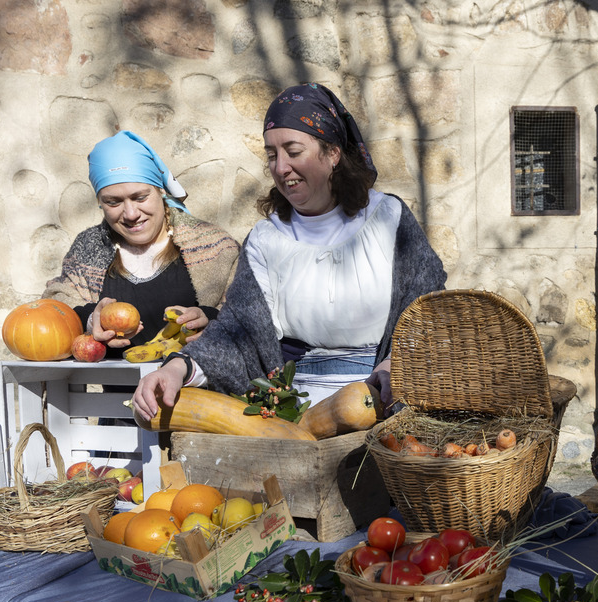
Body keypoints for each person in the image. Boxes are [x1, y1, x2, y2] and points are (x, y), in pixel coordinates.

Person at [131, 83, 446, 419]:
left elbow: (427, 308)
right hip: (293, 411)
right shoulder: (268, 239)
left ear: (332, 153)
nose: (280, 168)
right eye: (272, 154)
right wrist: (176, 368)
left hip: (386, 403)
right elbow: (238, 332)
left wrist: (396, 364)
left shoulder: (388, 218)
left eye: (293, 152)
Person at [44, 130, 240, 355]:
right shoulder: (89, 247)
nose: (130, 213)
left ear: (160, 190)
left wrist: (210, 319)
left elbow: (245, 315)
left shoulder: (215, 246)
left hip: (195, 388)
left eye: (140, 197)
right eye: (113, 202)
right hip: (115, 391)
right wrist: (90, 319)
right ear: (100, 202)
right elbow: (55, 307)